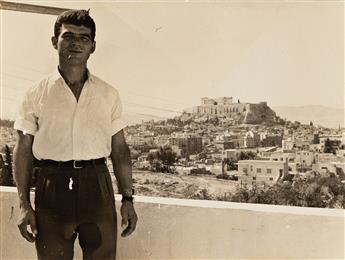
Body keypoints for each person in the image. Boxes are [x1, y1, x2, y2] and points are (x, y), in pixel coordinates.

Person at [13, 9, 137, 259]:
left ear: (93, 46)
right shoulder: (35, 93)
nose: (76, 44)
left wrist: (127, 199)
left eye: (84, 38)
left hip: (97, 186)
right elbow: (23, 150)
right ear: (54, 41)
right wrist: (24, 204)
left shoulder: (108, 94)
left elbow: (120, 150)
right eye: (68, 36)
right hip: (52, 187)